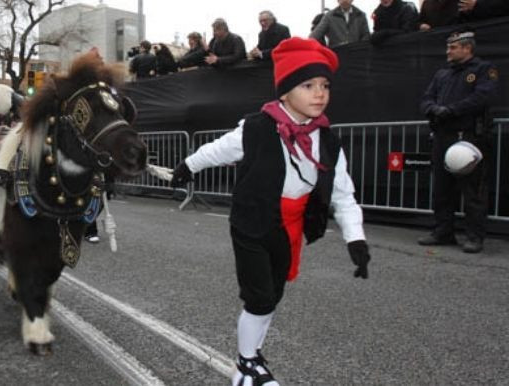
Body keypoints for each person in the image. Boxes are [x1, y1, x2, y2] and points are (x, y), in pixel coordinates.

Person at [170, 37, 370, 386]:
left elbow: (343, 191)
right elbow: (218, 150)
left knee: (274, 294)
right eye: (308, 85)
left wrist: (355, 237)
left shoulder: (328, 140)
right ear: (285, 90)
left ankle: (253, 355)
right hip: (251, 221)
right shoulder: (257, 127)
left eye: (324, 85)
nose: (319, 93)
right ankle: (246, 366)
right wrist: (187, 166)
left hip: (290, 224)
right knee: (259, 296)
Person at [418, 30, 499, 253]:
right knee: (442, 189)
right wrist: (433, 109)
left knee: (473, 190)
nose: (448, 51)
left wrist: (451, 110)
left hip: (470, 137)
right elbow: (426, 98)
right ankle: (443, 231)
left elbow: (483, 97)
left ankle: (475, 236)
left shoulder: (483, 70)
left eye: (453, 47)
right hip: (443, 137)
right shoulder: (442, 74)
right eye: (448, 47)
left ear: (467, 48)